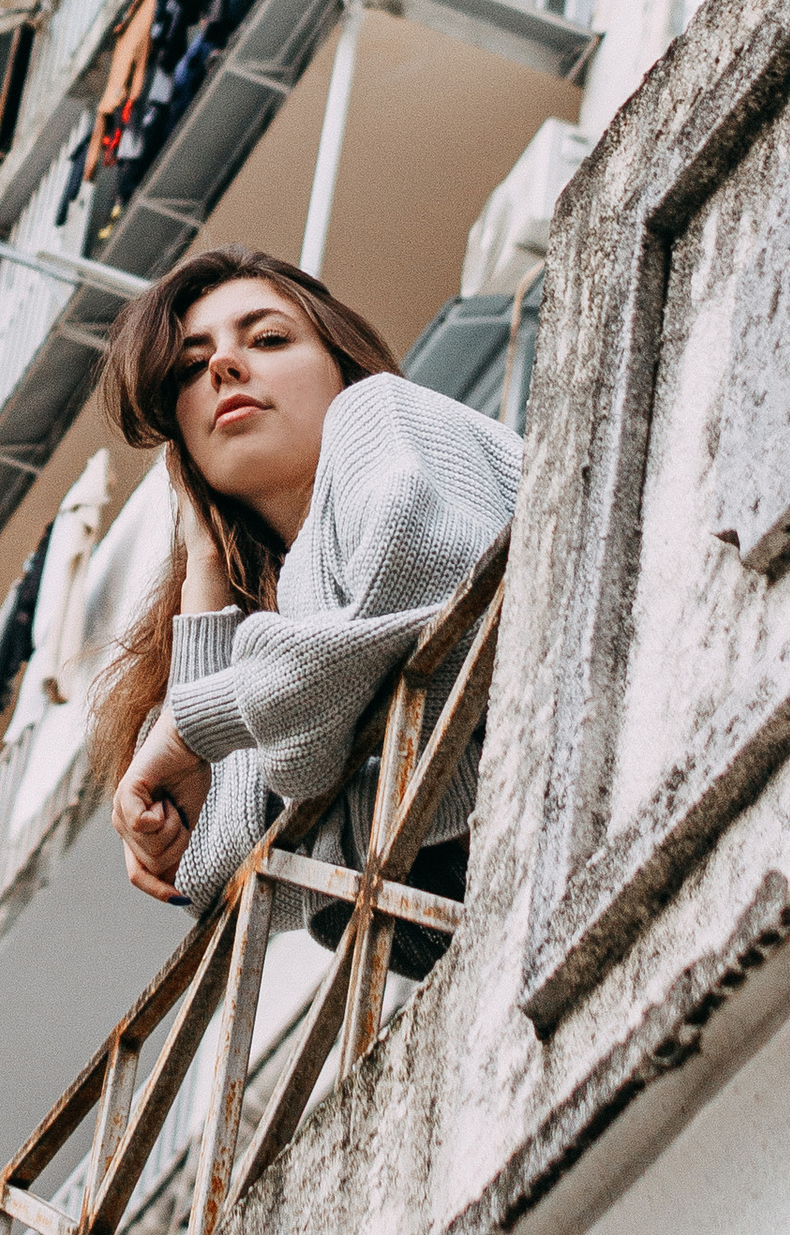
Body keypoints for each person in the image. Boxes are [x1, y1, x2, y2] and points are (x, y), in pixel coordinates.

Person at [85, 246, 520, 942]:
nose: (225, 366)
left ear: (342, 367)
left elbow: (442, 603)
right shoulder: (287, 626)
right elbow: (219, 871)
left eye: (267, 339)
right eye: (193, 368)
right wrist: (203, 569)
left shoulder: (384, 414)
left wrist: (194, 725)